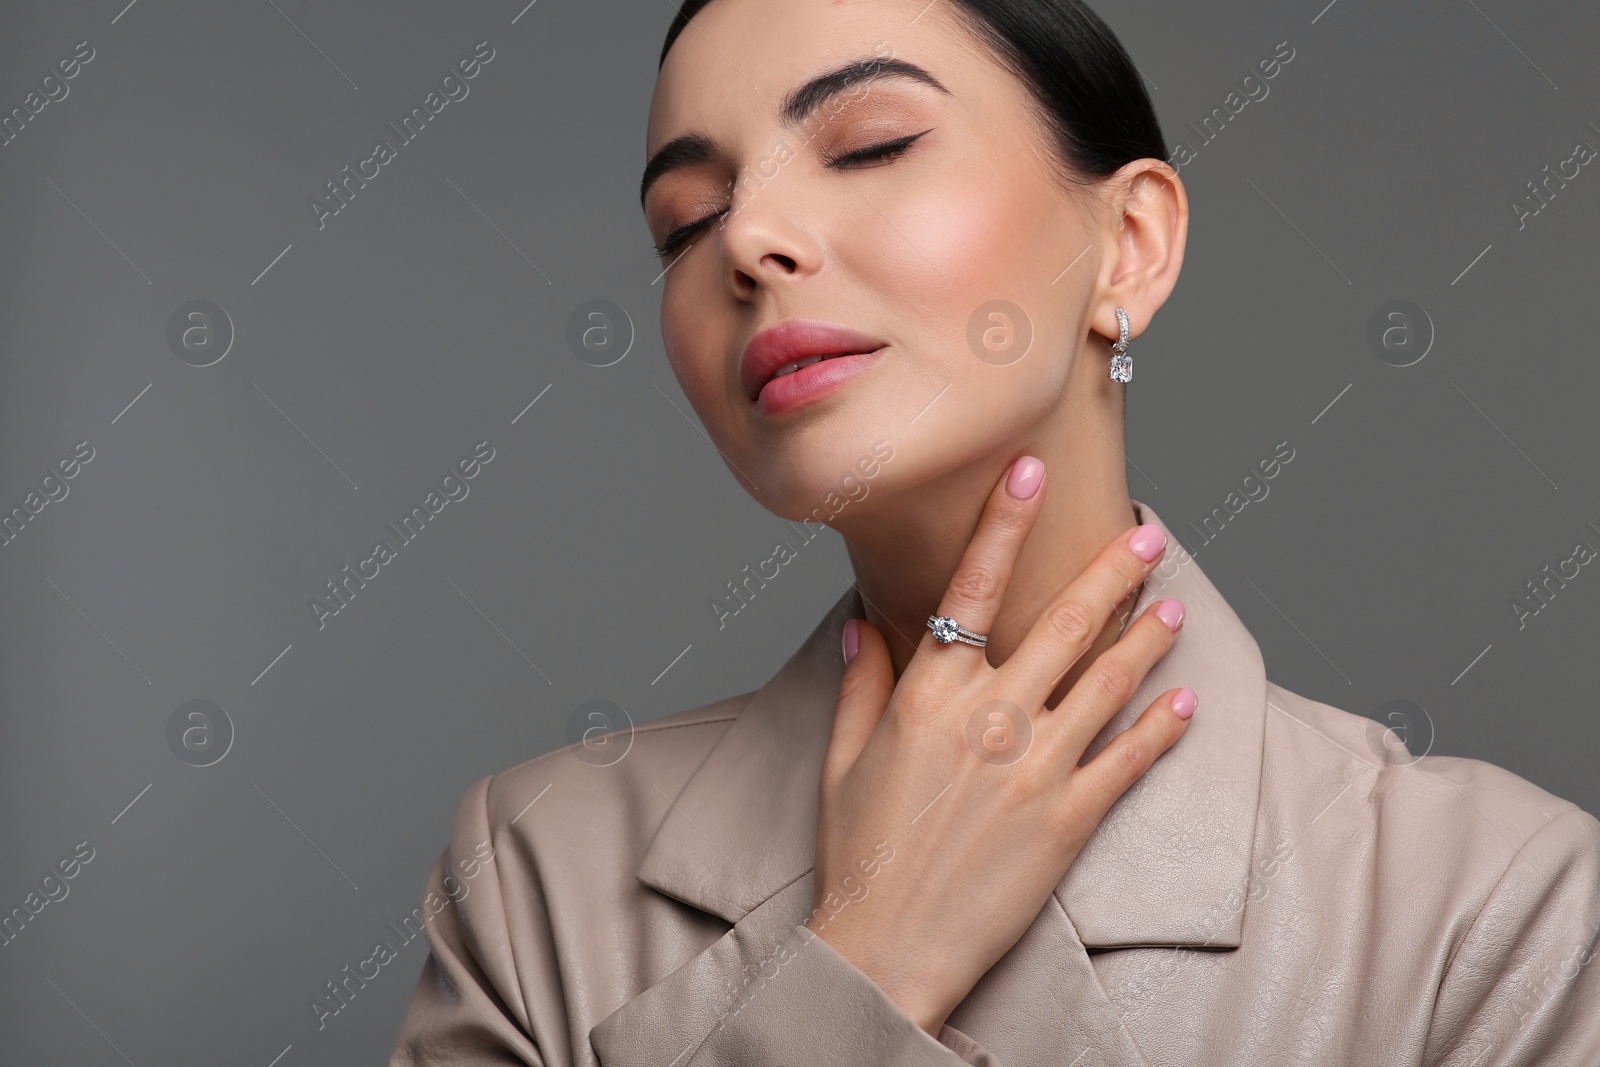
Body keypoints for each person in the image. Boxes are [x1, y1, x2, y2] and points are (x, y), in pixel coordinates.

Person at [389, 0, 1600, 1062]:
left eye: (869, 145)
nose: (748, 244)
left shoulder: (1494, 903)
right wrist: (860, 960)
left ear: (1127, 244)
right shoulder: (538, 869)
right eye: (686, 223)